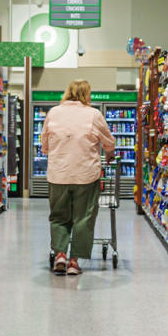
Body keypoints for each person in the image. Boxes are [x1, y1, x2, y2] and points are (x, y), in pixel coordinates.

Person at [40, 79, 116, 275]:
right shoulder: (93, 114)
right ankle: (74, 261)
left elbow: (45, 146)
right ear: (86, 95)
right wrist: (109, 154)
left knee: (58, 217)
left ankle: (60, 255)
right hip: (86, 176)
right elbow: (108, 142)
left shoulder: (54, 112)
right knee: (84, 218)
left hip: (58, 175)